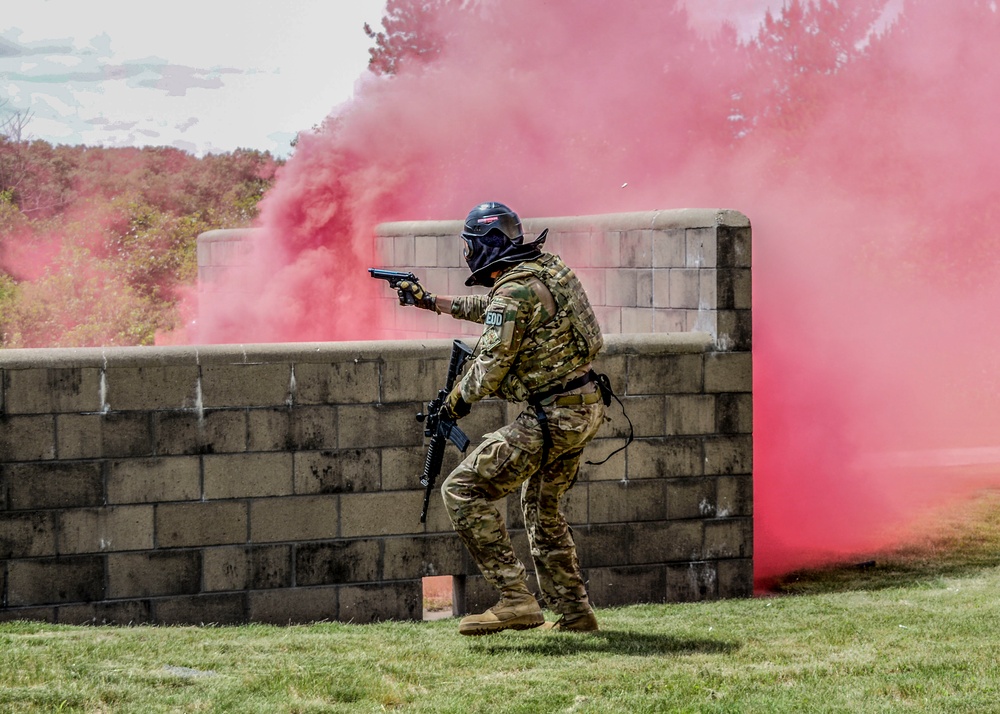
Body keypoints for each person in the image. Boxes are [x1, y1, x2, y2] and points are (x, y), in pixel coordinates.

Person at [396, 201, 607, 636]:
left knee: (462, 488)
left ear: (486, 245)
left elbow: (488, 368)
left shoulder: (514, 290)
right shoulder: (543, 270)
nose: (469, 253)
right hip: (583, 406)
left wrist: (452, 404)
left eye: (471, 245)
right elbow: (495, 308)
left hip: (554, 417)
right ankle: (576, 615)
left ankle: (516, 599)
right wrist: (430, 301)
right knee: (542, 509)